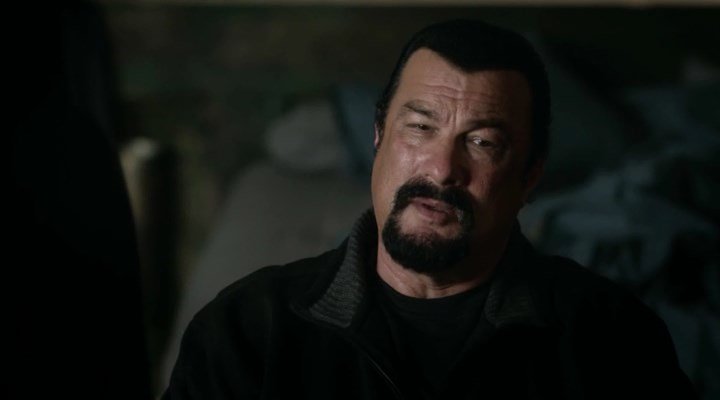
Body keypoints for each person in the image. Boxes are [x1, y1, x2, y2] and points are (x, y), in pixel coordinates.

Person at [163, 20, 696, 399]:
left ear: (530, 175)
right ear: (378, 136)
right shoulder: (247, 331)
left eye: (482, 143)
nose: (441, 170)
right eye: (420, 128)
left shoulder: (610, 339)